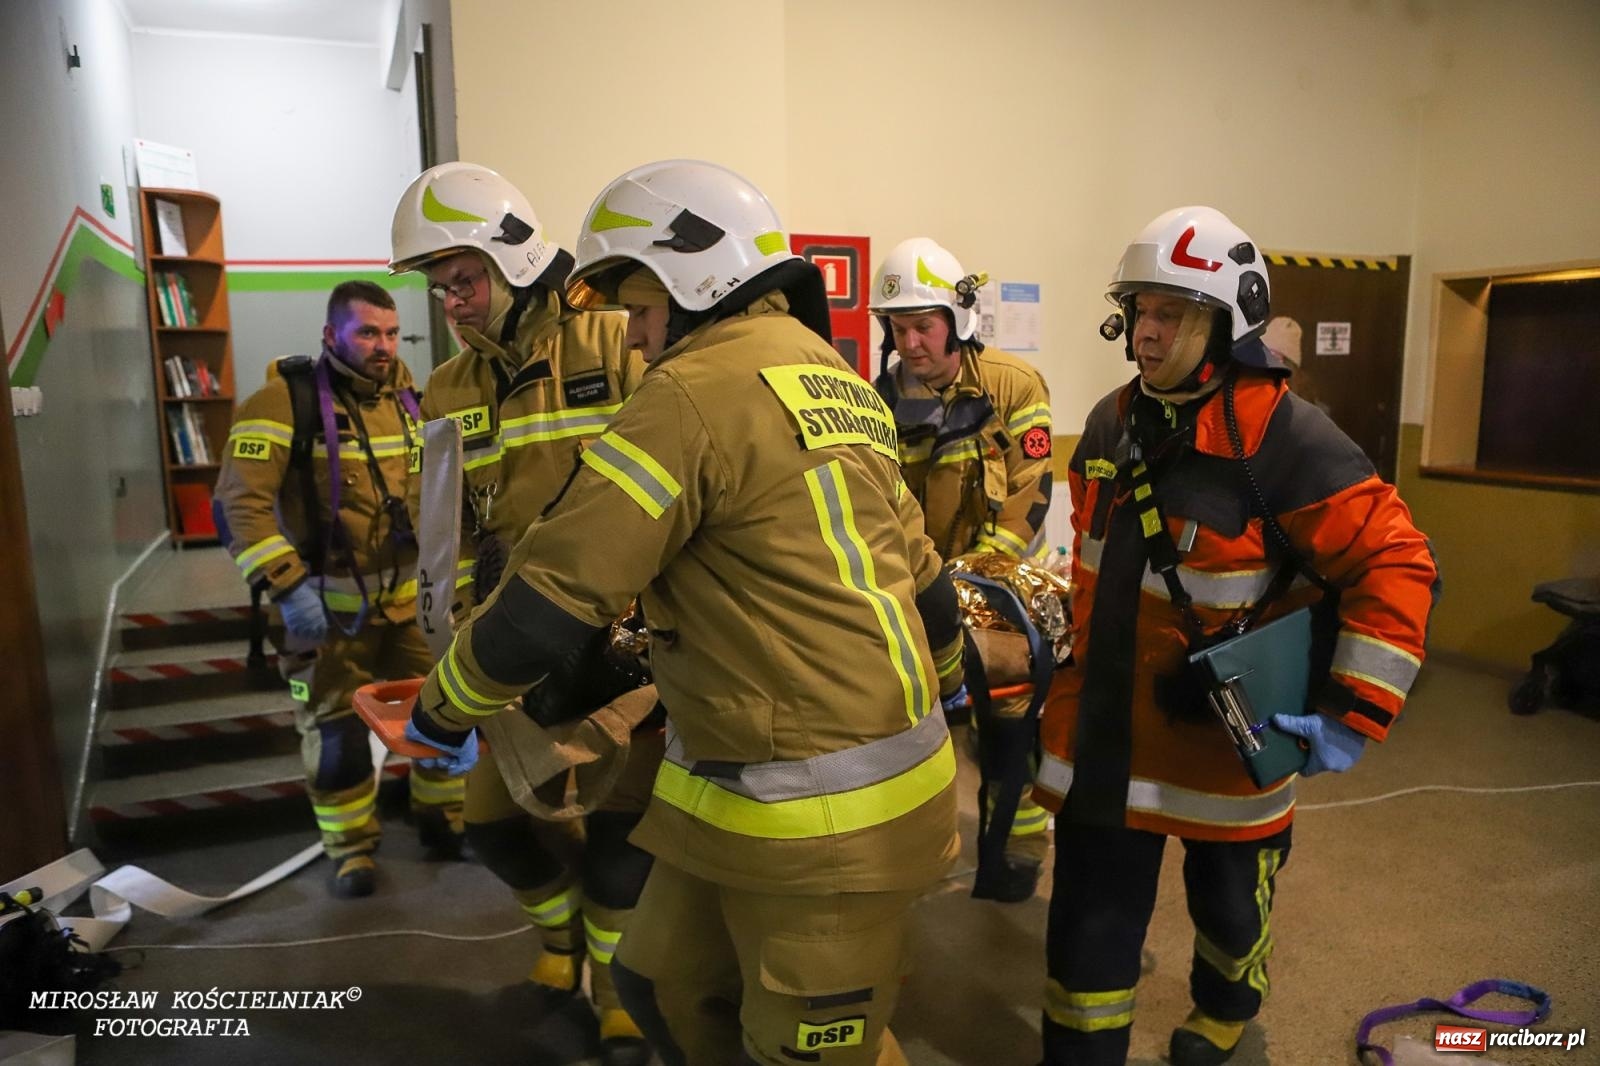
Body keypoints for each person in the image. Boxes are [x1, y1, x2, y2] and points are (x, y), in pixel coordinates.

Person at [405, 158, 967, 1066]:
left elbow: (553, 599)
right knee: (658, 983)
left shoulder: (687, 393)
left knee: (812, 1055)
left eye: (639, 308)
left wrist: (440, 711)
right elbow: (923, 574)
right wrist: (954, 686)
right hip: (754, 770)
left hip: (825, 807)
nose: (630, 337)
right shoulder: (833, 375)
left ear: (696, 281)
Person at [1033, 206, 1438, 1066]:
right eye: (1139, 309)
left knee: (1231, 913)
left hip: (1225, 748)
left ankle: (1226, 1006)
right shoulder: (1109, 421)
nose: (1145, 333)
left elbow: (1397, 562)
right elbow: (1094, 567)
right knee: (1086, 936)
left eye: (1170, 314)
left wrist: (1351, 711)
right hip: (1104, 740)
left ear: (1227, 324)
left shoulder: (1289, 438)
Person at [387, 161, 655, 1065]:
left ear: (516, 260)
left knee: (621, 841)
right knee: (494, 828)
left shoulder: (616, 342)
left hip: (628, 651)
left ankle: (615, 994)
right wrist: (456, 637)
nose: (453, 302)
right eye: (440, 288)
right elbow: (444, 532)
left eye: (465, 279)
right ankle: (558, 934)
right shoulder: (447, 389)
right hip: (511, 645)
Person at [216, 280, 465, 899]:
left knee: (442, 718)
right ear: (332, 335)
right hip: (325, 616)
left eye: (391, 333)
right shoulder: (282, 403)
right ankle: (351, 849)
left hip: (414, 610)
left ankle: (443, 818)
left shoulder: (417, 399)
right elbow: (238, 505)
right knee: (338, 741)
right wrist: (287, 587)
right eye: (367, 333)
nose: (383, 346)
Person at [870, 236, 1055, 902]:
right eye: (899, 328)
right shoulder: (878, 399)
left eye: (924, 326)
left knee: (1007, 729)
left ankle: (1017, 848)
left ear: (958, 320)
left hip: (996, 589)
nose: (911, 342)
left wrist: (980, 576)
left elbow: (1033, 489)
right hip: (914, 593)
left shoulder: (1012, 384)